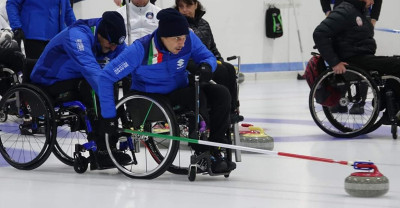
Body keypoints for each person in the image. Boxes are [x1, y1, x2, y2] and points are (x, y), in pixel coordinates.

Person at [97, 8, 236, 172]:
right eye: (177, 39)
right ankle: (201, 150)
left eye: (183, 38)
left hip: (180, 89)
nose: (182, 43)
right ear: (163, 36)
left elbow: (207, 56)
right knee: (195, 97)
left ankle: (216, 147)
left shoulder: (188, 39)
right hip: (151, 98)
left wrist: (207, 66)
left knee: (221, 94)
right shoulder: (140, 49)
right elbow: (106, 77)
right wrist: (108, 116)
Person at [29, 11, 130, 168]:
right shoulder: (78, 35)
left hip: (76, 77)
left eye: (116, 45)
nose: (112, 49)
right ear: (100, 34)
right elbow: (91, 70)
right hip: (49, 81)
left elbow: (128, 60)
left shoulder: (113, 40)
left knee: (111, 84)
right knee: (91, 87)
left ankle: (111, 145)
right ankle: (101, 150)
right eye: (110, 44)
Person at [313, 0, 400, 114]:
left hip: (362, 56)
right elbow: (319, 33)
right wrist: (334, 62)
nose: (373, 2)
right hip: (353, 59)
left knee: (395, 63)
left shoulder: (359, 12)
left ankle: (389, 104)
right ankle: (386, 106)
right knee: (397, 64)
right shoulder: (345, 10)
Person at [174, 0, 241, 121]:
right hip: (188, 61)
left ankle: (232, 108)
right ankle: (221, 109)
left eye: (188, 6)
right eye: (181, 7)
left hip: (206, 59)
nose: (184, 10)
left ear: (195, 5)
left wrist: (218, 60)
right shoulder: (177, 25)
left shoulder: (204, 24)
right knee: (221, 71)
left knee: (229, 69)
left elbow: (212, 48)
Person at [6, 0, 76, 59]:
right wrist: (16, 27)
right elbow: (12, 4)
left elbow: (68, 11)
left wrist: (77, 30)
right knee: (33, 71)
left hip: (56, 40)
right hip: (32, 38)